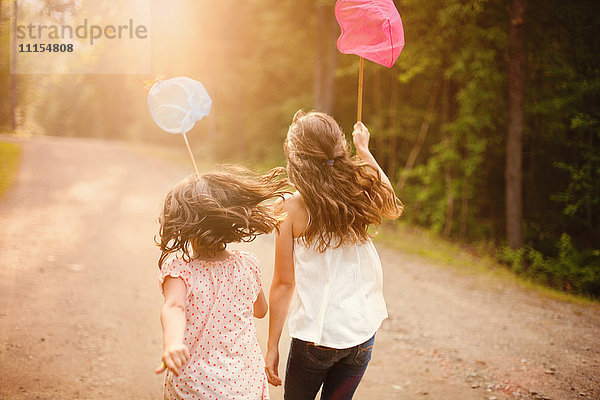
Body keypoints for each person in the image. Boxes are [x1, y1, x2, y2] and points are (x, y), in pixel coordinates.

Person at [265, 111, 403, 400]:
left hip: (317, 337)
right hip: (361, 332)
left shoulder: (289, 208)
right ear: (340, 147)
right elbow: (391, 204)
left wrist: (272, 346)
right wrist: (365, 151)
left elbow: (283, 284)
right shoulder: (357, 189)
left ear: (296, 157)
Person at [155, 166, 289, 400]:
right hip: (243, 383)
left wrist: (173, 342)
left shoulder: (180, 270)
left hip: (197, 387)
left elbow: (174, 307)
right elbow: (260, 310)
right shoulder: (247, 264)